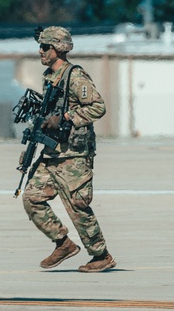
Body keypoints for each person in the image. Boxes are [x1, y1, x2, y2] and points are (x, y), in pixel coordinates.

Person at [22, 26, 116, 273]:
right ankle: (62, 243)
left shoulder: (75, 76)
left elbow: (98, 107)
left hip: (73, 155)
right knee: (32, 198)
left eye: (45, 47)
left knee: (78, 206)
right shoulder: (49, 76)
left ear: (57, 49)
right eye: (40, 46)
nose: (40, 51)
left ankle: (101, 255)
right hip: (53, 152)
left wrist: (66, 117)